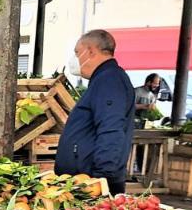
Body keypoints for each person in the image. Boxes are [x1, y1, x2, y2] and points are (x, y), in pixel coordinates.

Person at [55, 30, 136, 195]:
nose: (75, 59)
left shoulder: (109, 81)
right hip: (84, 181)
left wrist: (102, 179)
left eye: (77, 52)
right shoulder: (103, 79)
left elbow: (111, 130)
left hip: (93, 185)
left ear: (91, 51)